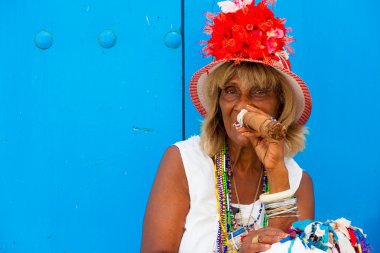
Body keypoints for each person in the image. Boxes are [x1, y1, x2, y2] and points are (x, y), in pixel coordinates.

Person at [141, 1, 369, 252]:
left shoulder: (297, 181)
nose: (242, 106)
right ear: (219, 103)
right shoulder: (184, 161)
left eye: (258, 92)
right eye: (231, 91)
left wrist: (276, 170)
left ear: (280, 106)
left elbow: (287, 248)